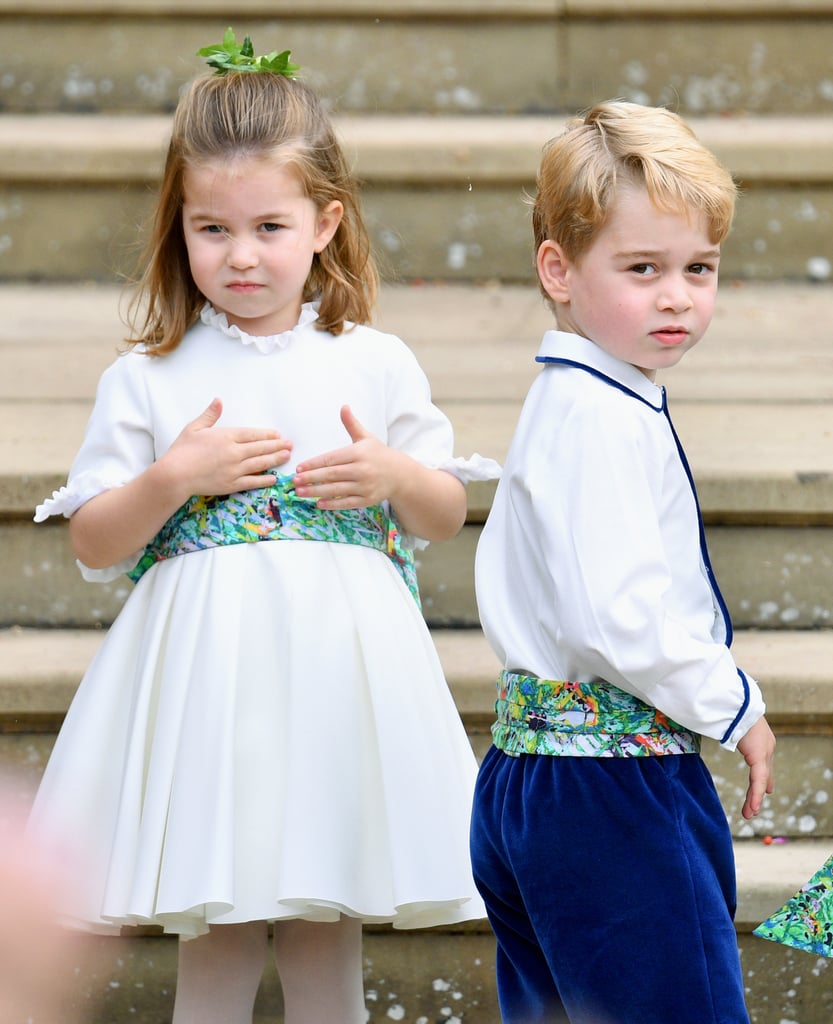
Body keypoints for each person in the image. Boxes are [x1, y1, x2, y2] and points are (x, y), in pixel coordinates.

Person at [28, 30, 494, 1024]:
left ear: (325, 221)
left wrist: (392, 473)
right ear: (178, 224)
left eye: (268, 227)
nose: (240, 256)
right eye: (211, 230)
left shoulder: (371, 361)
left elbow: (445, 514)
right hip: (212, 688)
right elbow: (95, 540)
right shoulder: (149, 376)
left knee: (329, 927)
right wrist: (172, 477)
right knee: (222, 926)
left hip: (334, 674)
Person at [470, 101, 777, 1024]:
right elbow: (616, 614)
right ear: (557, 270)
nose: (676, 295)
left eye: (698, 269)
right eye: (641, 269)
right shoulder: (599, 418)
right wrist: (733, 703)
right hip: (608, 790)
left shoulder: (580, 399)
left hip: (535, 778)